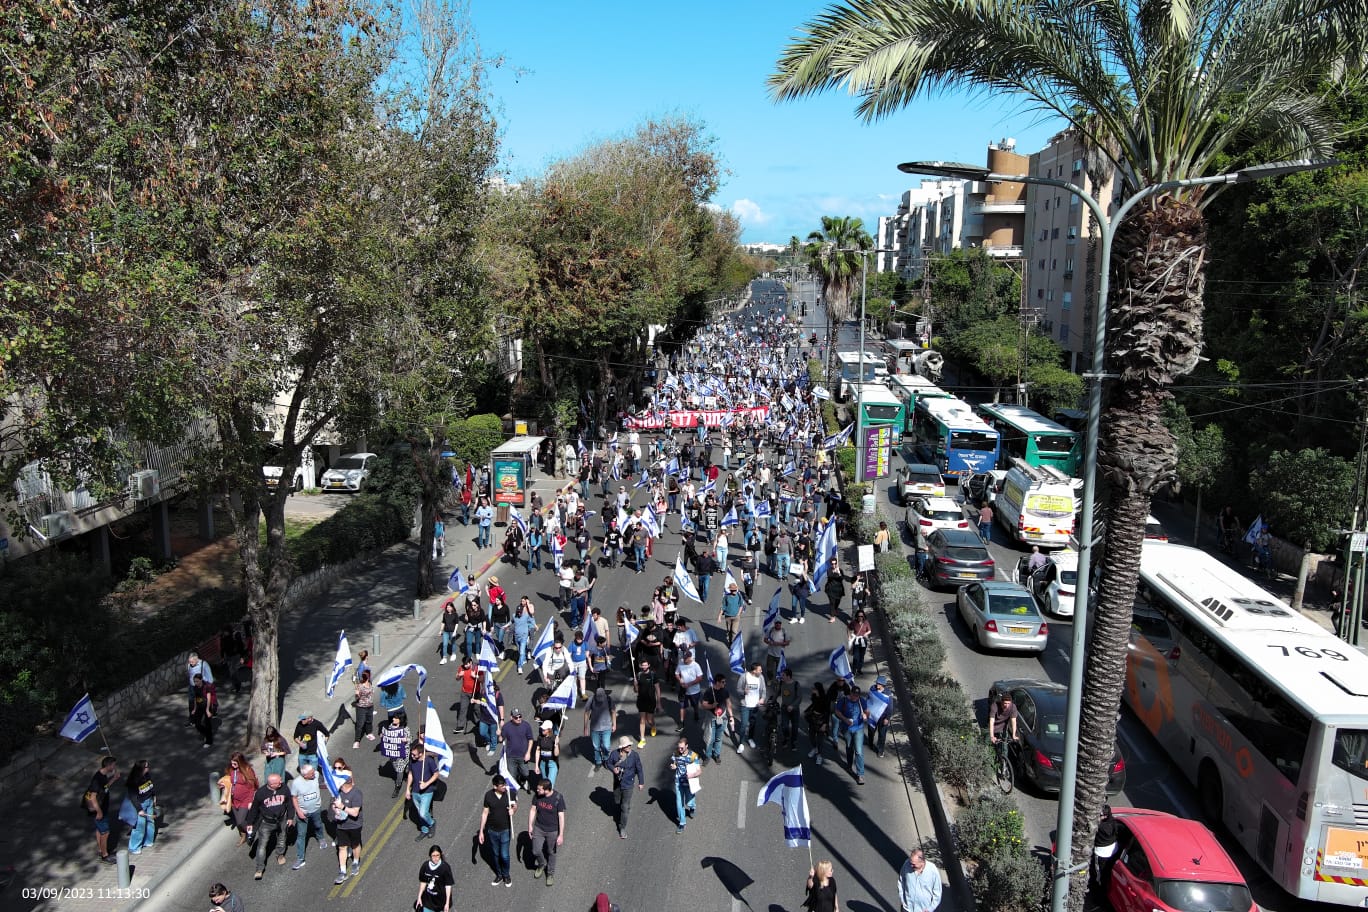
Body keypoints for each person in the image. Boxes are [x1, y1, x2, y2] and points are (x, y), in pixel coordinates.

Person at [244, 772, 291, 880]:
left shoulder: (284, 788)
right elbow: (254, 809)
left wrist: (290, 817)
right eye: (278, 782)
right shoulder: (261, 793)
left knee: (282, 838)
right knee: (262, 846)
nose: (281, 782)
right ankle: (259, 868)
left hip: (281, 820)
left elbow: (289, 803)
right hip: (266, 823)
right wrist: (250, 823)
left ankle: (279, 854)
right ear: (271, 784)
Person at [478, 774, 516, 886]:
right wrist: (481, 831)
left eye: (504, 784)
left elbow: (515, 805)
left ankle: (506, 875)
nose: (504, 787)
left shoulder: (509, 793)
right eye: (501, 785)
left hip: (505, 829)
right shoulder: (488, 796)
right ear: (495, 786)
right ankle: (499, 875)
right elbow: (485, 813)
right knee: (496, 854)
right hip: (492, 830)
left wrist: (513, 810)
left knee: (504, 855)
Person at [527, 778, 566, 887]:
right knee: (536, 851)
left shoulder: (558, 798)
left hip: (552, 831)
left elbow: (561, 817)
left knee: (551, 852)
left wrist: (561, 835)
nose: (537, 790)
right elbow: (533, 810)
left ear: (547, 790)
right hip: (538, 828)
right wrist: (530, 825)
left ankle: (550, 873)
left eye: (539, 789)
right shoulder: (537, 796)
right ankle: (541, 864)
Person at [288, 763, 326, 870]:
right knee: (301, 835)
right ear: (304, 775)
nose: (314, 774)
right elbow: (294, 798)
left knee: (318, 825)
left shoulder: (316, 775)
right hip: (303, 812)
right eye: (311, 773)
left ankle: (321, 838)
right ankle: (300, 859)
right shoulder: (296, 783)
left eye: (313, 772)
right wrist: (298, 811)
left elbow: (324, 779)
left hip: (316, 809)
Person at [331, 761, 363, 885]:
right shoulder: (337, 792)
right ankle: (343, 871)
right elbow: (333, 805)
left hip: (354, 825)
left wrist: (342, 807)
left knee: (355, 845)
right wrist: (335, 809)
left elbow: (355, 813)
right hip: (341, 825)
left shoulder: (357, 793)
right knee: (342, 847)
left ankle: (355, 862)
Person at [607, 736, 645, 838]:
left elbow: (639, 769)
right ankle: (623, 809)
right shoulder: (614, 754)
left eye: (629, 745)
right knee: (617, 801)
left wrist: (641, 782)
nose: (629, 747)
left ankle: (622, 828)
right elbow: (608, 763)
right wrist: (613, 769)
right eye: (626, 745)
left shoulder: (634, 755)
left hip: (629, 784)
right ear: (622, 747)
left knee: (625, 806)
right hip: (617, 784)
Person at [85, 755, 118, 864]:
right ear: (108, 766)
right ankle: (105, 855)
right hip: (99, 810)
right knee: (105, 832)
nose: (114, 767)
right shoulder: (97, 780)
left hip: (103, 807)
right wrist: (99, 812)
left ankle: (101, 849)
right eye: (113, 765)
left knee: (100, 830)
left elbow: (105, 787)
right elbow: (92, 797)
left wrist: (113, 779)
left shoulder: (103, 776)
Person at [219, 753, 258, 844]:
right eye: (232, 763)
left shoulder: (248, 770)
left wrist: (250, 801)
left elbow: (252, 787)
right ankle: (243, 836)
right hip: (234, 800)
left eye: (235, 764)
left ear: (240, 762)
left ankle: (251, 831)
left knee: (240, 821)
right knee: (237, 821)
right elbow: (228, 780)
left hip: (245, 800)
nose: (233, 765)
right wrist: (223, 785)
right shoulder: (232, 769)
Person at [834, 685, 869, 785]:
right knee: (849, 748)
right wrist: (845, 719)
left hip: (858, 728)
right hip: (847, 729)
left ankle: (860, 774)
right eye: (854, 695)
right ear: (850, 693)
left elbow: (867, 712)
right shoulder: (844, 700)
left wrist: (866, 715)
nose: (855, 697)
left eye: (857, 696)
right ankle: (849, 766)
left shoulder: (861, 701)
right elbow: (837, 711)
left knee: (858, 751)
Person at [407, 741, 441, 841]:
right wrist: (408, 789)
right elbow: (410, 774)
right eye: (412, 754)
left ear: (421, 754)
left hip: (427, 792)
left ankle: (432, 823)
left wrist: (426, 784)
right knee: (419, 813)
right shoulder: (412, 761)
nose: (412, 756)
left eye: (414, 755)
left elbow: (436, 774)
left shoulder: (429, 761)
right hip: (415, 791)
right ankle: (424, 830)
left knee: (423, 813)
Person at [669, 736, 702, 833]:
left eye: (682, 748)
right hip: (678, 782)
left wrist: (692, 775)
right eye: (679, 747)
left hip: (689, 783)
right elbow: (675, 763)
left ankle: (692, 807)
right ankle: (682, 823)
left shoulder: (693, 756)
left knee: (689, 801)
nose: (680, 750)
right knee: (679, 803)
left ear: (687, 746)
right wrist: (673, 766)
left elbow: (699, 771)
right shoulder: (676, 753)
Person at [125, 759, 157, 855]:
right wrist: (139, 809)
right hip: (141, 804)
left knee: (150, 822)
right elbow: (133, 797)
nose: (148, 768)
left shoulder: (147, 775)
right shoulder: (133, 781)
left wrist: (154, 796)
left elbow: (151, 786)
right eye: (146, 766)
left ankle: (148, 841)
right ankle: (134, 847)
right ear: (141, 768)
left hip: (149, 800)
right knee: (140, 826)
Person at [898, 848, 943, 912]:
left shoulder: (932, 870)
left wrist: (930, 909)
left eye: (914, 864)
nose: (911, 866)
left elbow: (937, 892)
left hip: (924, 910)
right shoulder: (906, 865)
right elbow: (901, 881)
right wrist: (902, 900)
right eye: (911, 863)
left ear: (922, 862)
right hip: (908, 908)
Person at [500, 708, 535, 791]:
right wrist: (499, 734)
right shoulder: (506, 727)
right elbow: (501, 740)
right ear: (511, 717)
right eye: (516, 717)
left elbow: (530, 740)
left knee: (526, 773)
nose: (519, 719)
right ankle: (513, 792)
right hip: (511, 756)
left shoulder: (526, 725)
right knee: (512, 775)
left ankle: (523, 780)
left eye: (520, 716)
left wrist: (528, 753)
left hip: (523, 755)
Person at [736, 662, 767, 753]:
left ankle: (750, 738)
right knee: (744, 724)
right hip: (745, 705)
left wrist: (762, 698)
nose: (761, 671)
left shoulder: (761, 677)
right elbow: (738, 689)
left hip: (755, 705)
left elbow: (764, 689)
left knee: (753, 723)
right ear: (754, 671)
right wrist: (744, 692)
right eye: (759, 670)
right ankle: (741, 743)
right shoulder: (744, 677)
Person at [583, 687, 618, 768]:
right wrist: (585, 727)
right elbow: (586, 712)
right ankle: (598, 761)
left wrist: (614, 724)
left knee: (606, 746)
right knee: (596, 747)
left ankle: (606, 759)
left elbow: (613, 711)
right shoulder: (591, 699)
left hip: (607, 727)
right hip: (595, 728)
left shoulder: (609, 699)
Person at [414, 844, 454, 912]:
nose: (435, 858)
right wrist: (419, 896)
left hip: (441, 901)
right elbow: (423, 882)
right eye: (433, 855)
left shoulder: (445, 868)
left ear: (440, 855)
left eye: (437, 855)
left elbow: (448, 886)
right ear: (430, 856)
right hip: (428, 901)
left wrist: (447, 903)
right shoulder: (425, 866)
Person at [380, 713, 410, 798]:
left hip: (402, 754)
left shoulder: (405, 729)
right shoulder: (390, 727)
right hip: (393, 754)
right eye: (393, 718)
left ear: (400, 720)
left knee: (399, 771)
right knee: (396, 768)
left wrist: (406, 739)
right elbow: (386, 736)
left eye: (396, 718)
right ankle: (405, 772)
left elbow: (410, 739)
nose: (393, 719)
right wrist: (382, 736)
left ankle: (398, 785)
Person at [633, 657, 662, 748]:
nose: (644, 666)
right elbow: (636, 690)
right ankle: (642, 739)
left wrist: (659, 703)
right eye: (643, 665)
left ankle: (653, 726)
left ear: (648, 665)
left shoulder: (653, 675)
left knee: (649, 720)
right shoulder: (639, 675)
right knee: (642, 720)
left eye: (646, 665)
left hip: (651, 701)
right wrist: (635, 684)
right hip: (641, 700)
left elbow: (657, 689)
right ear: (641, 666)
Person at [1093, 804, 1120, 888]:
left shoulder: (1099, 827)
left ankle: (1100, 885)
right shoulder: (1113, 822)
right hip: (1113, 850)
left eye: (1099, 815)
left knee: (1099, 871)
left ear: (1105, 816)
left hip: (1102, 853)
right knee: (1109, 868)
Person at [777, 667, 803, 751]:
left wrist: (792, 706)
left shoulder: (796, 684)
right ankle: (786, 737)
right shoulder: (782, 683)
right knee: (784, 726)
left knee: (795, 727)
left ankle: (793, 742)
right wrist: (771, 701)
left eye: (783, 675)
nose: (781, 677)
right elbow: (777, 693)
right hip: (784, 708)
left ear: (788, 676)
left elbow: (799, 698)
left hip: (794, 710)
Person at [190, 673, 217, 747]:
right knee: (197, 723)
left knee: (208, 724)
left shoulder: (206, 687)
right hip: (199, 707)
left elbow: (209, 699)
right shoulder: (195, 687)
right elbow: (196, 698)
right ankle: (206, 733)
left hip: (207, 707)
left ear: (201, 680)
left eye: (197, 681)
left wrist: (207, 710)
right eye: (194, 681)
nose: (196, 683)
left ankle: (209, 741)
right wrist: (194, 709)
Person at [533, 719, 561, 787]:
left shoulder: (554, 738)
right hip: (543, 763)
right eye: (542, 729)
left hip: (552, 764)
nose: (542, 730)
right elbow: (538, 750)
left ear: (549, 730)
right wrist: (536, 765)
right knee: (544, 784)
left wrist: (556, 745)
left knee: (549, 785)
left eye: (544, 729)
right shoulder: (540, 737)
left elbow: (556, 754)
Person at [352, 670, 375, 749]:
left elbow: (371, 692)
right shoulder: (359, 686)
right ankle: (357, 741)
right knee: (360, 724)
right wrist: (357, 694)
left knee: (369, 721)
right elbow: (357, 698)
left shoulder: (370, 683)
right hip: (361, 707)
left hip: (370, 706)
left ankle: (369, 733)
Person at [847, 611, 872, 677]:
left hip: (863, 641)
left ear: (863, 616)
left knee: (861, 656)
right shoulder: (854, 622)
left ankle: (859, 669)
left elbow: (869, 630)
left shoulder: (866, 622)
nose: (860, 617)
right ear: (856, 616)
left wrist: (866, 633)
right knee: (856, 657)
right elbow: (848, 628)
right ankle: (854, 671)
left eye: (861, 616)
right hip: (856, 641)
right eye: (859, 616)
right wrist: (849, 637)